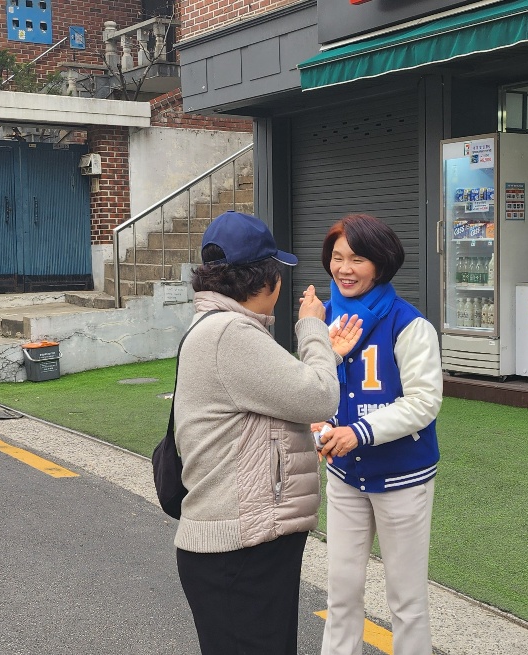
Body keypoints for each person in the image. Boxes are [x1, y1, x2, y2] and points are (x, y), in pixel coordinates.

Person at [172, 210, 362, 655]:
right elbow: (319, 397)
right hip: (240, 549)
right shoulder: (231, 334)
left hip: (239, 544)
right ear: (267, 279)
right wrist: (312, 327)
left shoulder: (217, 326)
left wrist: (327, 355)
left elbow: (276, 397)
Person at [314, 214, 443, 655]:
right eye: (337, 257)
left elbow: (424, 402)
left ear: (381, 263)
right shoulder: (324, 317)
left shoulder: (410, 324)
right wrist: (322, 425)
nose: (344, 269)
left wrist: (359, 432)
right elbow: (316, 391)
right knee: (341, 591)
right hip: (344, 476)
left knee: (406, 600)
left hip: (402, 478)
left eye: (357, 258)